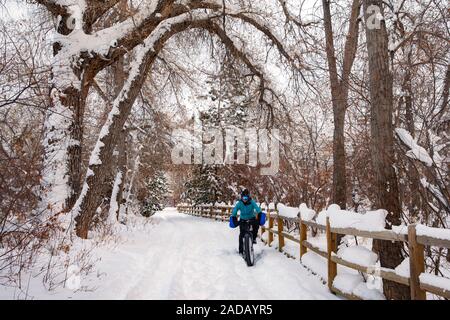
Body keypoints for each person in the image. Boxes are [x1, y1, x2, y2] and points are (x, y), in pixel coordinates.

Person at [231, 189, 262, 254]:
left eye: (246, 198)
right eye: (243, 198)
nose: (244, 199)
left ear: (248, 197)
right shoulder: (239, 203)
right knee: (241, 234)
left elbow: (257, 209)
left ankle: (253, 238)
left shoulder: (252, 202)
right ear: (241, 197)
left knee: (256, 225)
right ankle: (241, 251)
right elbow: (234, 211)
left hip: (251, 218)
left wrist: (260, 215)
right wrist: (234, 217)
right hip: (242, 220)